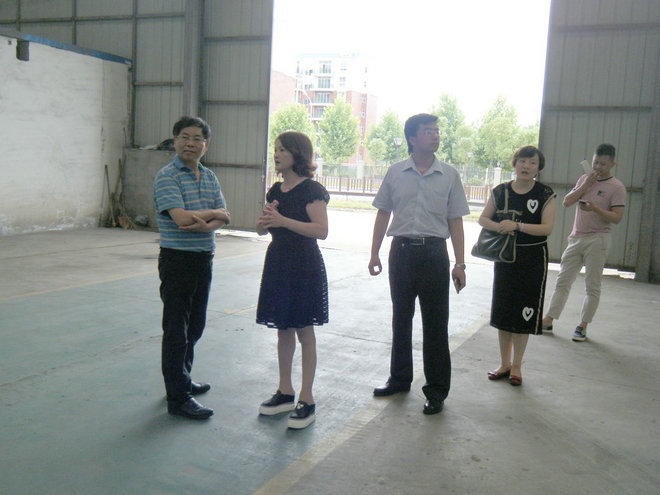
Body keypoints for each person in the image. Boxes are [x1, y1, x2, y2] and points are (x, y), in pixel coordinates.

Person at [368, 113, 470, 415]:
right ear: (412, 138)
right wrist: (374, 253)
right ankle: (399, 379)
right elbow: (383, 213)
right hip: (400, 252)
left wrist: (460, 263)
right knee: (401, 319)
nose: (435, 136)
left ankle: (436, 390)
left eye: (437, 131)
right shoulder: (396, 172)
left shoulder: (449, 175)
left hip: (434, 254)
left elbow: (455, 220)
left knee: (436, 324)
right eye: (428, 131)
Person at [153, 116, 231, 419]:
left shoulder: (209, 177)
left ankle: (182, 379)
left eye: (198, 139)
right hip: (177, 259)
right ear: (175, 141)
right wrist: (211, 216)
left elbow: (225, 217)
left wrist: (206, 223)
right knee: (176, 330)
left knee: (195, 325)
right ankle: (178, 398)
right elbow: (182, 219)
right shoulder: (167, 176)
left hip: (203, 258)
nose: (190, 143)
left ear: (206, 145)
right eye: (185, 137)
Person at [256, 131, 329, 430]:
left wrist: (282, 221)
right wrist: (265, 221)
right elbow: (262, 229)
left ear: (298, 155)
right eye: (275, 149)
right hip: (278, 263)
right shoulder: (276, 190)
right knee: (282, 328)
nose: (276, 154)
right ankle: (284, 391)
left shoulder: (312, 190)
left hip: (303, 265)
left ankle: (306, 398)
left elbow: (321, 230)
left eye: (283, 150)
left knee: (304, 331)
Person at [479, 146, 556, 386]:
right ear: (514, 163)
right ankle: (504, 363)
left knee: (525, 310)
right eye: (522, 161)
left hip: (533, 259)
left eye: (532, 163)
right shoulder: (500, 191)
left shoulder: (545, 193)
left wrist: (518, 226)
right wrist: (500, 226)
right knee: (504, 310)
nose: (526, 166)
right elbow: (483, 218)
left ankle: (517, 366)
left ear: (539, 168)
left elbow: (547, 228)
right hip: (506, 258)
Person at [542, 144, 626, 342]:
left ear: (612, 164)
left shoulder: (617, 187)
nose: (598, 167)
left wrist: (594, 208)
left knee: (592, 285)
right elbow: (566, 202)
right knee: (563, 281)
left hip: (598, 239)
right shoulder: (584, 179)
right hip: (576, 238)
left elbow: (617, 217)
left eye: (603, 164)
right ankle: (548, 319)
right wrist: (585, 186)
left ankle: (582, 326)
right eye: (595, 162)